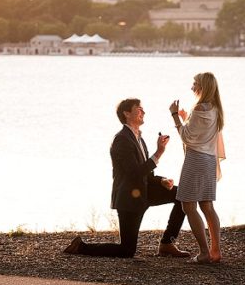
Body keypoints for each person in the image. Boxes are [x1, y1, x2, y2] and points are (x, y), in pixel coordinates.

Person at [63, 98, 191, 258]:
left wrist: (160, 181)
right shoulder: (121, 139)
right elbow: (134, 173)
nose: (143, 112)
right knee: (127, 250)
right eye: (139, 109)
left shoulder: (139, 138)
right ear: (127, 113)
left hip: (144, 192)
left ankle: (167, 243)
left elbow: (145, 174)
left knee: (183, 196)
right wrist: (158, 153)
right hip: (129, 199)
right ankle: (80, 247)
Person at [170, 72, 226, 263]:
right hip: (209, 160)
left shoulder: (200, 108)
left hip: (196, 160)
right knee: (207, 206)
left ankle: (204, 253)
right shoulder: (215, 109)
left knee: (188, 205)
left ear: (203, 87)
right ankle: (215, 251)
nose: (192, 87)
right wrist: (187, 119)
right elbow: (198, 134)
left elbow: (187, 137)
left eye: (195, 84)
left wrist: (175, 116)